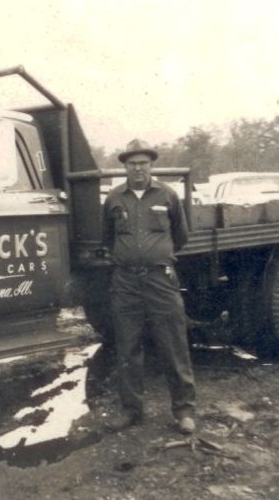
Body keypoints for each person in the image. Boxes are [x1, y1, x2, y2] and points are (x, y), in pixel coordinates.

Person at [102, 139, 196, 434]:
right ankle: (132, 410)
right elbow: (107, 238)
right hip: (126, 281)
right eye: (132, 163)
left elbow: (181, 236)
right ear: (125, 167)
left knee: (173, 345)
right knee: (128, 347)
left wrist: (156, 256)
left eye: (143, 163)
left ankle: (184, 411)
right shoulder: (114, 198)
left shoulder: (167, 195)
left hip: (160, 280)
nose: (138, 168)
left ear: (151, 165)